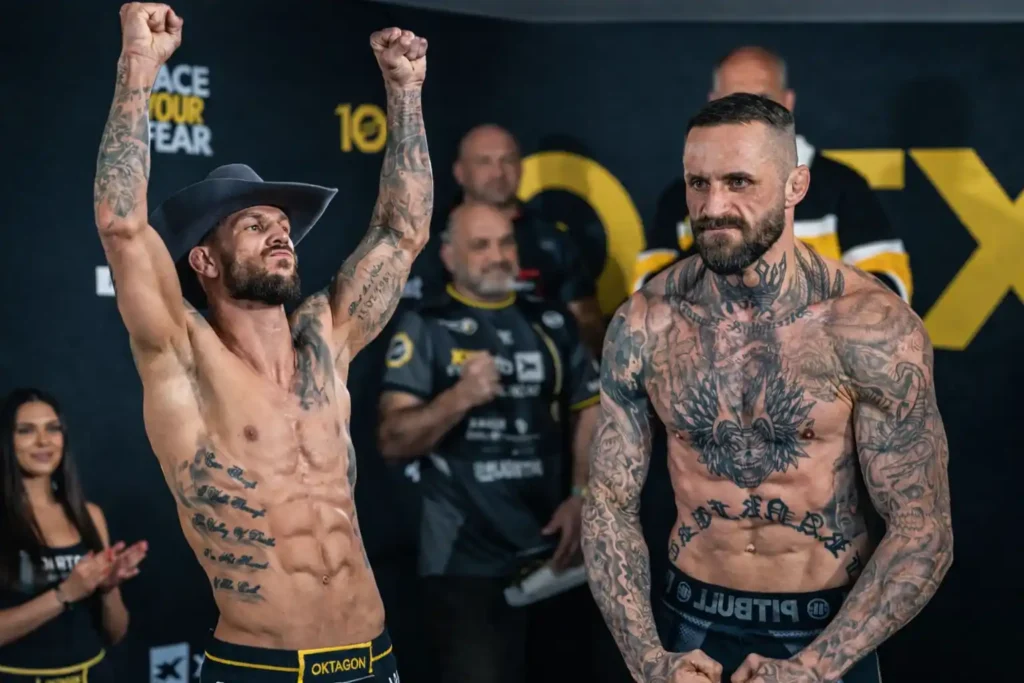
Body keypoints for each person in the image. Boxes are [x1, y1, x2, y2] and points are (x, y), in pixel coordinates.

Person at [92, 4, 431, 682]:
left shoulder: (325, 340)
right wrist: (139, 66)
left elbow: (403, 234)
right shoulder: (183, 356)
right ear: (204, 261)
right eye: (254, 225)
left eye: (282, 225)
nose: (280, 233)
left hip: (374, 657)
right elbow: (122, 226)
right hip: (263, 667)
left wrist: (405, 91)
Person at [582, 93, 953, 683]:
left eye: (738, 182)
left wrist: (814, 668)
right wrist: (647, 659)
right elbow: (607, 502)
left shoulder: (870, 328)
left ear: (794, 186)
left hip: (826, 631)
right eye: (698, 184)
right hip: (690, 625)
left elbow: (923, 530)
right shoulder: (647, 324)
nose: (713, 207)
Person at [376, 201, 600, 683]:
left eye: (505, 243)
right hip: (464, 562)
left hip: (553, 553)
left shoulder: (551, 321)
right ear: (449, 256)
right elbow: (393, 439)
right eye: (480, 245)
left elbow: (591, 409)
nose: (497, 256)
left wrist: (582, 495)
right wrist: (459, 397)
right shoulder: (426, 325)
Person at [634, 46, 913, 304]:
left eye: (763, 101)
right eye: (734, 102)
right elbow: (643, 297)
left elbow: (891, 293)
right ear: (712, 105)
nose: (748, 115)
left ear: (796, 187)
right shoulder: (682, 196)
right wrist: (718, 243)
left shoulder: (842, 186)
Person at [406, 124, 607, 357]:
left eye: (508, 160)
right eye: (484, 162)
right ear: (459, 172)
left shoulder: (554, 242)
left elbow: (587, 328)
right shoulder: (425, 237)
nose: (498, 173)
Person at [0, 388, 146, 682]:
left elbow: (116, 633)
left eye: (53, 428)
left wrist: (108, 587)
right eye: (26, 430)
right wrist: (65, 594)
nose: (43, 441)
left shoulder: (89, 515)